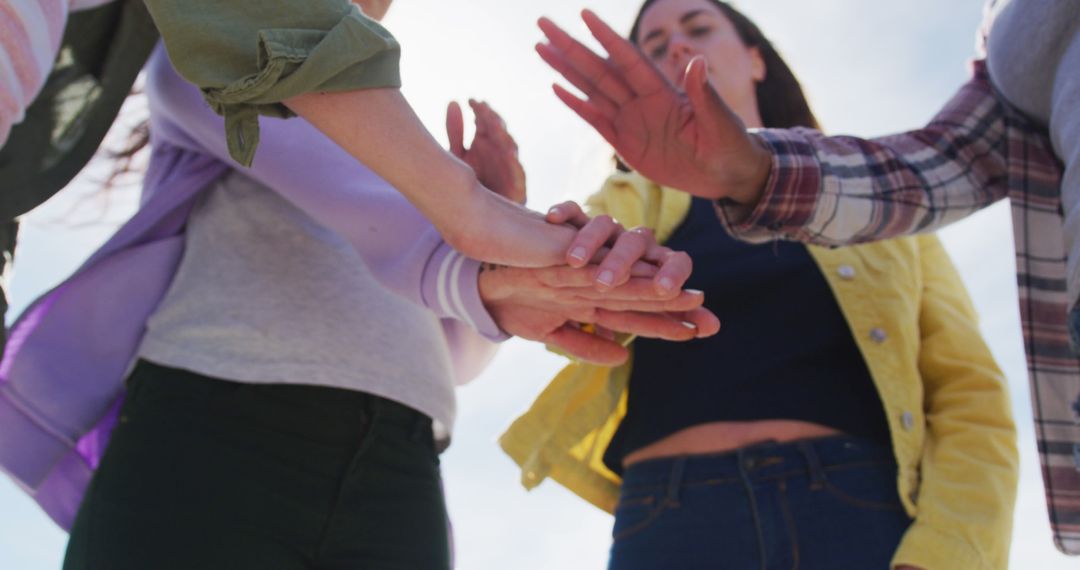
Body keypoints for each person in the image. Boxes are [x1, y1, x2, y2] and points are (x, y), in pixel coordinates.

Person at [0, 1, 723, 568]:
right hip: (214, 430)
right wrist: (481, 230)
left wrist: (495, 251)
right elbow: (386, 219)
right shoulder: (206, 55)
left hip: (400, 460)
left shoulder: (413, 159)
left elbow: (455, 357)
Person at [536, 0, 1080, 553]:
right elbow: (563, 331)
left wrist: (947, 556)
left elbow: (968, 393)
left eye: (697, 27)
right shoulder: (615, 206)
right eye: (653, 47)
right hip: (668, 521)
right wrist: (529, 251)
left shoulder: (882, 203)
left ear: (755, 61)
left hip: (857, 510)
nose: (676, 46)